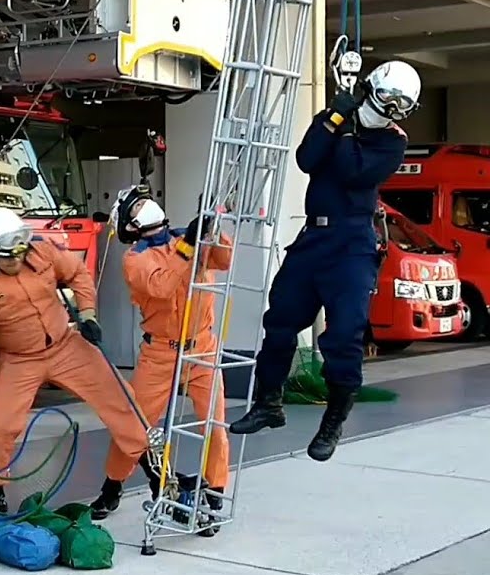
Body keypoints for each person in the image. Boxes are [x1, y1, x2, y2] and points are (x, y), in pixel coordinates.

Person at [230, 60, 421, 461]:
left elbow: (352, 170)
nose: (392, 109)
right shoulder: (335, 116)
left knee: (345, 334)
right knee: (280, 321)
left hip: (352, 242)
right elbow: (307, 158)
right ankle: (268, 403)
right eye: (390, 98)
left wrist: (343, 122)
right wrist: (336, 114)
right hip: (314, 237)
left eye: (402, 105)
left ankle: (333, 421)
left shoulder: (392, 142)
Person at [0, 207, 155, 513]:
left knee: (122, 399)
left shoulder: (41, 251)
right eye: (8, 256)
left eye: (20, 251)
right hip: (18, 361)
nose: (16, 259)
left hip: (65, 346)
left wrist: (86, 314)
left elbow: (77, 273)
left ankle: (155, 474)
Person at [90, 186, 233, 520]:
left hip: (203, 349)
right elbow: (161, 286)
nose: (146, 204)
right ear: (130, 223)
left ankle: (214, 491)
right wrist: (188, 245)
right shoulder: (135, 259)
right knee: (135, 426)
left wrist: (213, 231)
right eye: (137, 204)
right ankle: (112, 487)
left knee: (214, 424)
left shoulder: (190, 238)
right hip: (160, 354)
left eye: (145, 199)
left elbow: (224, 261)